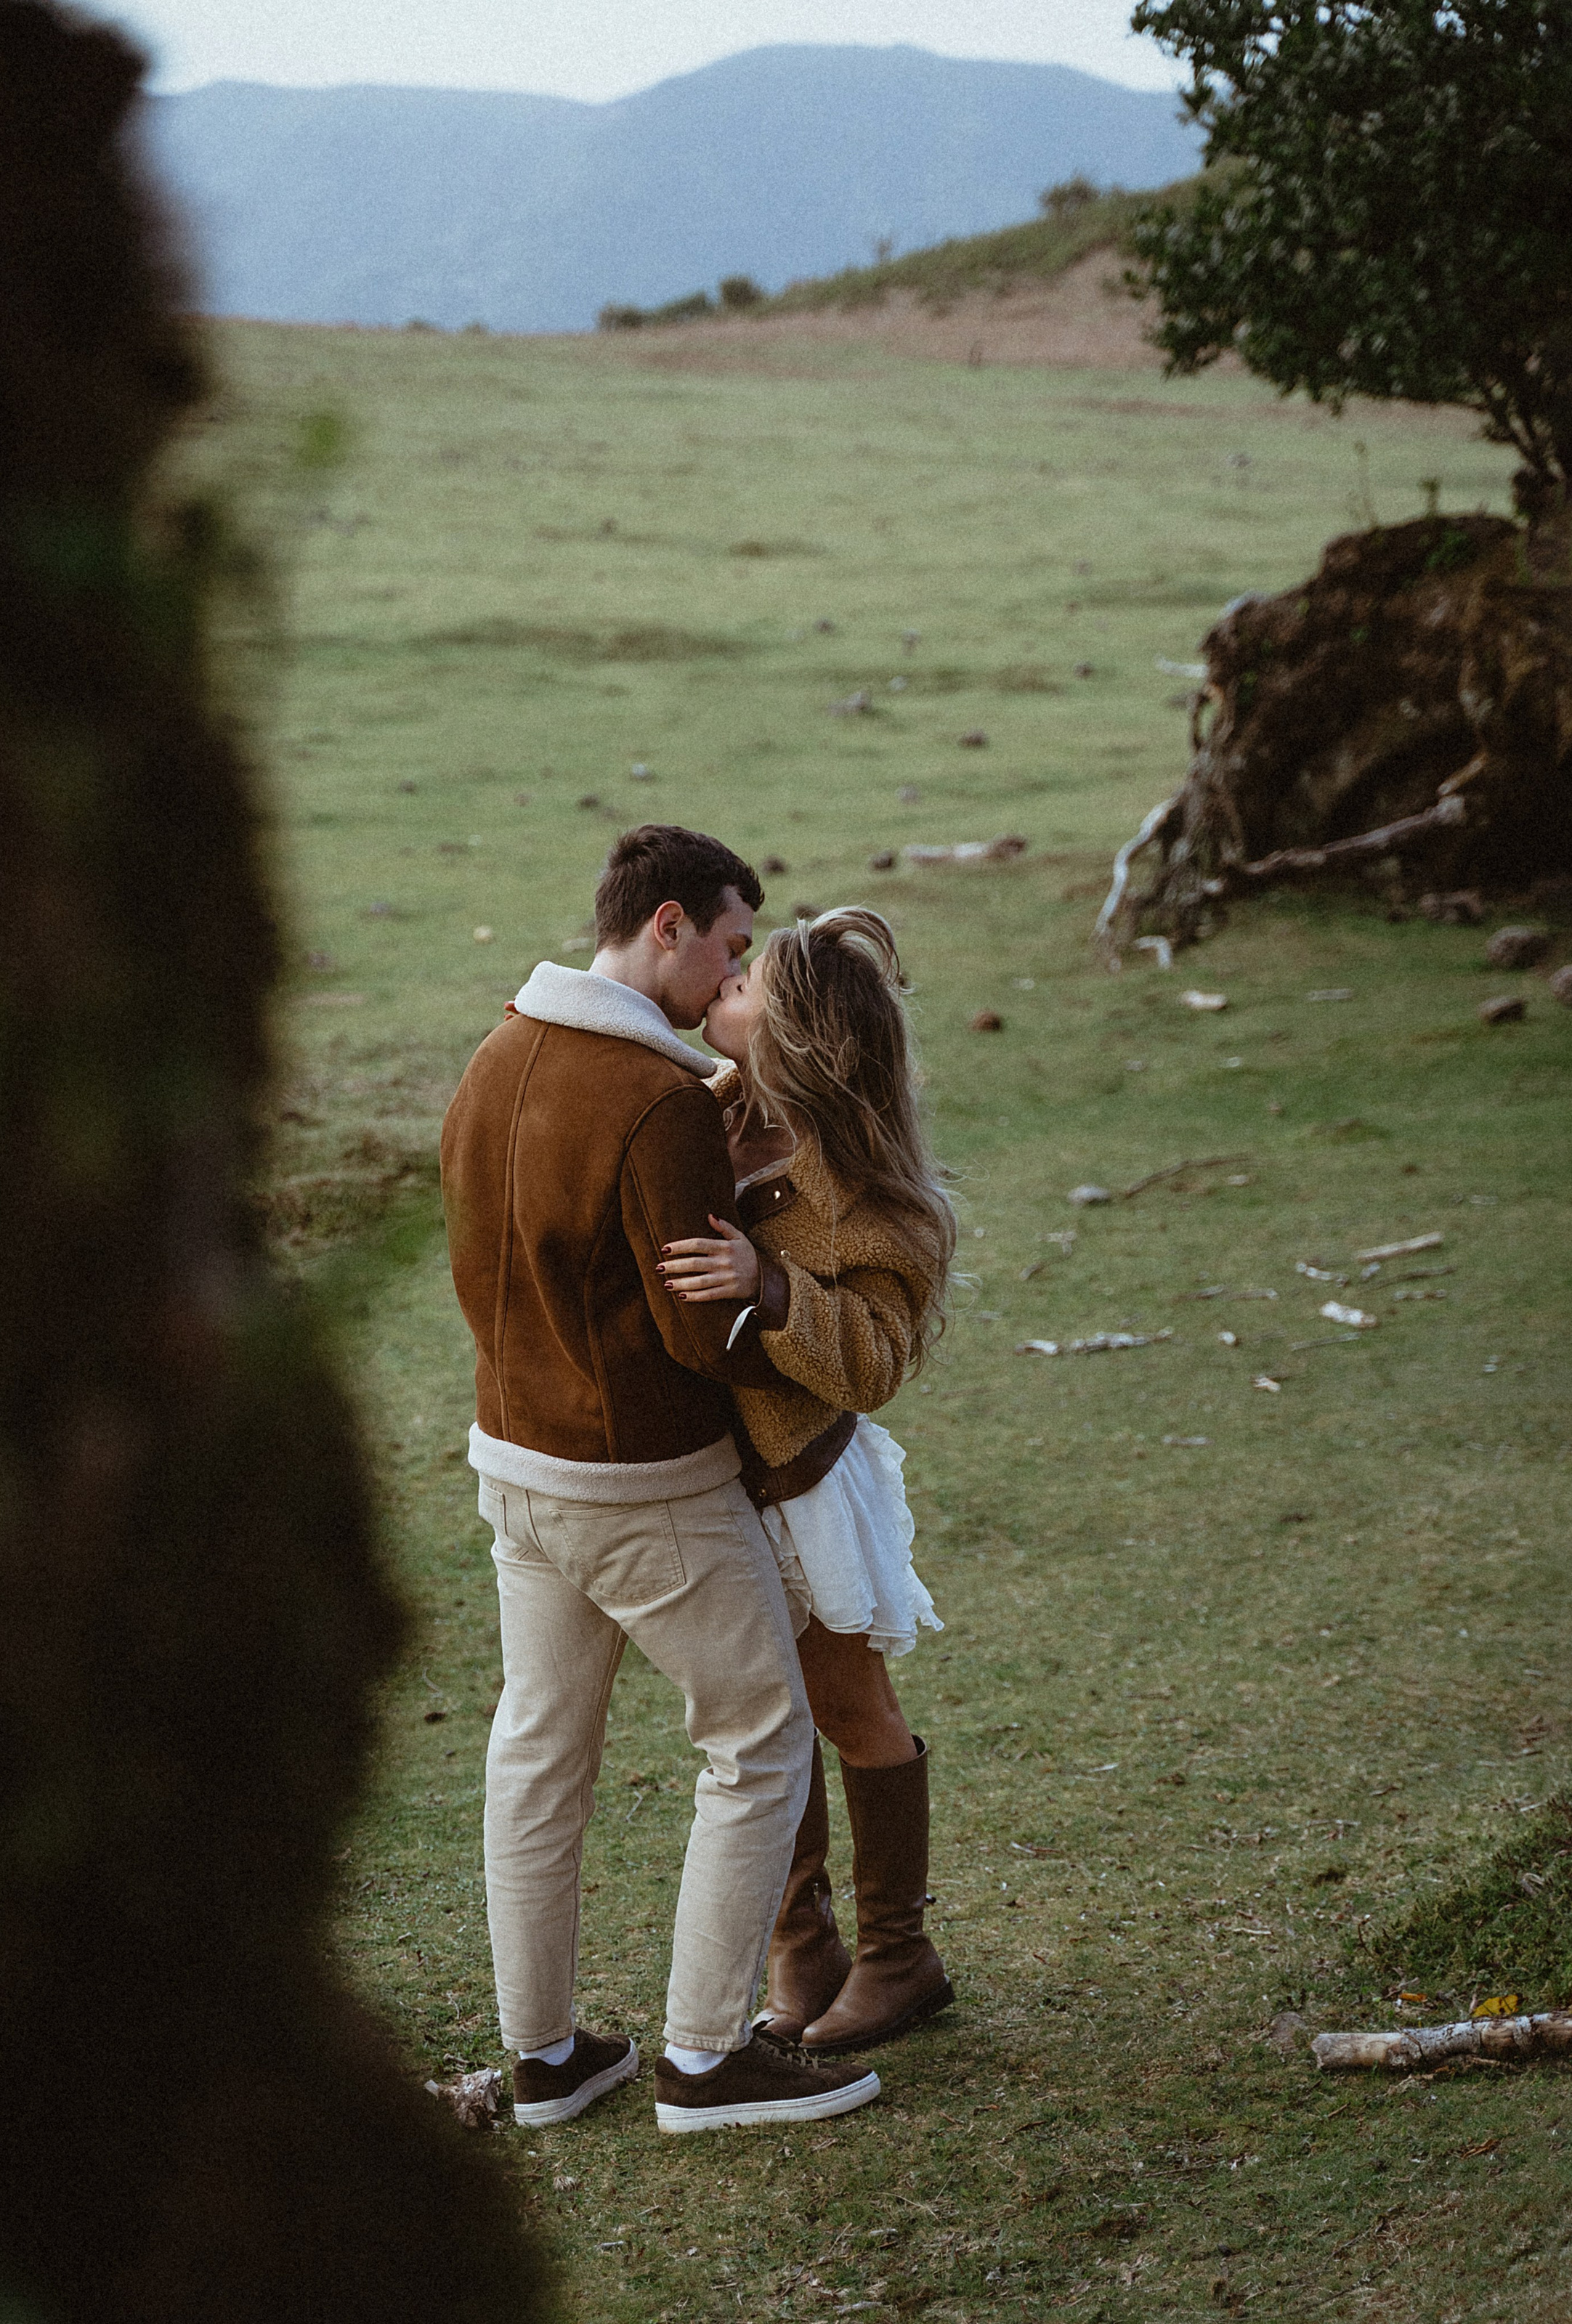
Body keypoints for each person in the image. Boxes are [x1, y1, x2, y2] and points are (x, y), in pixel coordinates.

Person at [440, 827, 883, 2133]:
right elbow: (701, 1335)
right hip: (641, 1481)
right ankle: (703, 2058)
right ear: (671, 926)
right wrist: (777, 1270)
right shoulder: (652, 1100)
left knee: (538, 1757)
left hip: (511, 1460)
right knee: (761, 1739)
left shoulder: (495, 1056)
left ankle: (547, 2059)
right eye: (735, 949)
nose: (735, 978)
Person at [659, 907, 957, 2052]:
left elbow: (874, 1362)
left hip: (803, 1487)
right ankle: (805, 1950)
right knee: (754, 1716)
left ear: (794, 1039)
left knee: (843, 1703)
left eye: (745, 988)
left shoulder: (872, 1198)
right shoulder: (706, 1111)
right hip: (711, 1479)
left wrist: (766, 1286)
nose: (721, 986)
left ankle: (898, 1955)